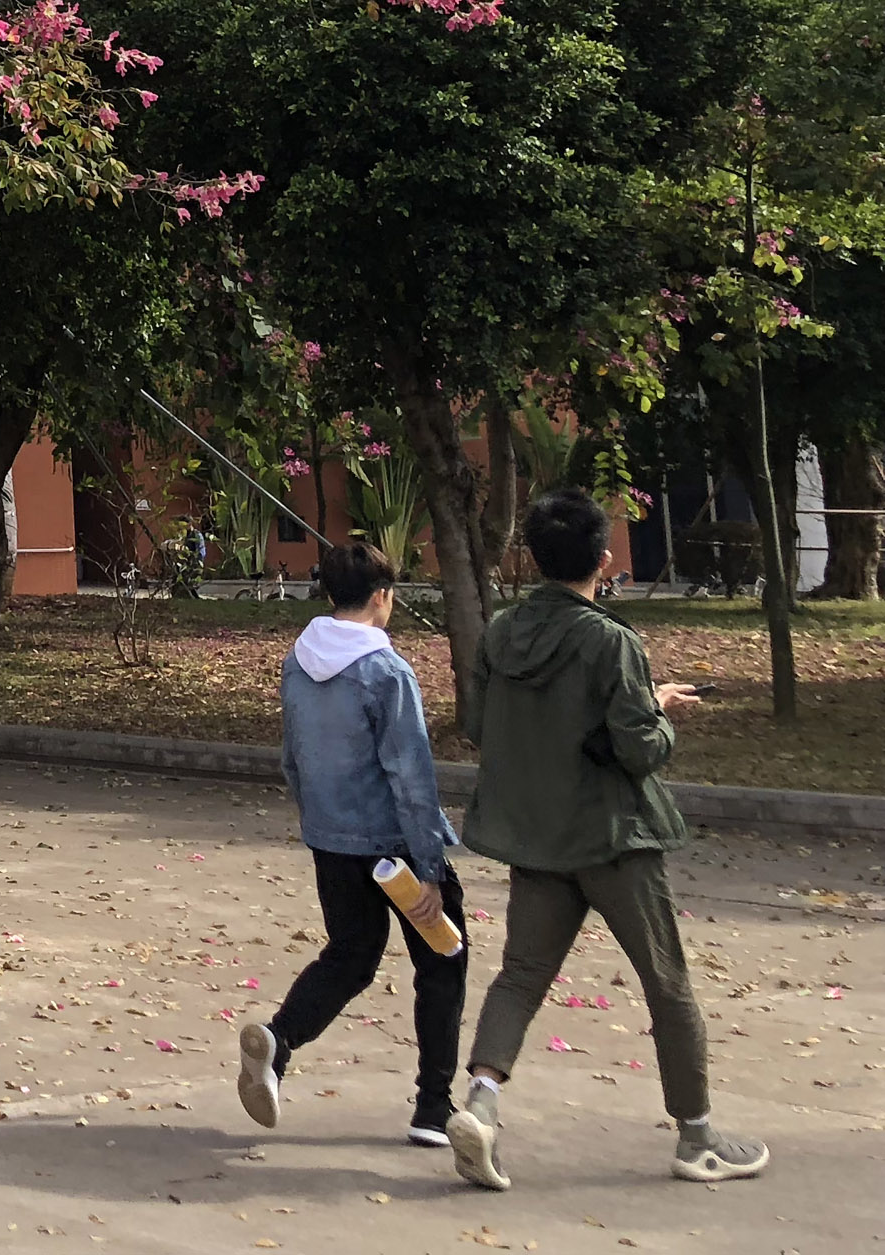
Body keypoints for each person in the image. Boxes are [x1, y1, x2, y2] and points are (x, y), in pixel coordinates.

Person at [443, 487, 764, 1192]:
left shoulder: (499, 632)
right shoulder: (612, 639)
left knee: (520, 976)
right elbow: (640, 748)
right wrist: (662, 711)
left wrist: (632, 705)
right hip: (614, 838)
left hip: (537, 839)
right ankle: (698, 1136)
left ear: (533, 555)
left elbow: (480, 726)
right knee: (667, 984)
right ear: (605, 558)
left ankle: (481, 1104)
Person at [238, 538, 468, 1145]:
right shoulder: (386, 671)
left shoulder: (297, 660)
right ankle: (433, 1107)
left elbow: (292, 758)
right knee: (444, 959)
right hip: (394, 847)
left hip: (331, 839)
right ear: (383, 597)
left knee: (350, 956)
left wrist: (319, 822)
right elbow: (411, 777)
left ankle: (279, 1041)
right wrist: (434, 870)